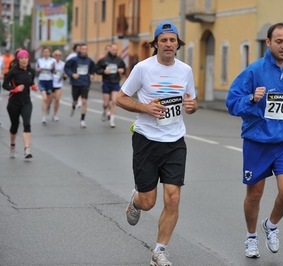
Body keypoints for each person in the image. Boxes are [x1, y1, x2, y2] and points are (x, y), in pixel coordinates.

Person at [115, 21, 198, 266]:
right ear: (155, 44)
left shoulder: (186, 70)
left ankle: (159, 251)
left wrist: (193, 107)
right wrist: (145, 107)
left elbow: (191, 102)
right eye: (164, 40)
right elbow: (121, 98)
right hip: (146, 141)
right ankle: (136, 200)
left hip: (175, 141)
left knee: (172, 198)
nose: (169, 44)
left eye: (173, 40)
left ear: (178, 44)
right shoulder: (143, 69)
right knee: (148, 201)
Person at [225, 22, 283, 259]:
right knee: (254, 195)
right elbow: (232, 103)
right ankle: (251, 237)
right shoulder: (254, 70)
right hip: (258, 141)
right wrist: (251, 98)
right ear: (268, 42)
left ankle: (271, 225)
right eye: (279, 41)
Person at [2, 49, 38, 159]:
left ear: (28, 59)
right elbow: (4, 84)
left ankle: (27, 150)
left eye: (25, 58)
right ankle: (12, 147)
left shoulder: (31, 71)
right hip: (14, 102)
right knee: (14, 126)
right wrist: (15, 89)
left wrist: (33, 86)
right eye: (21, 58)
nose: (24, 60)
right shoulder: (13, 71)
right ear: (18, 60)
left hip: (26, 102)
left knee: (27, 124)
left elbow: (31, 81)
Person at [64, 43, 95, 128]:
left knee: (84, 101)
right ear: (80, 50)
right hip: (76, 83)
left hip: (85, 83)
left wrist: (92, 74)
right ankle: (73, 106)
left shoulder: (89, 60)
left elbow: (92, 69)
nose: (84, 50)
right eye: (83, 49)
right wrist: (72, 74)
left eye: (86, 49)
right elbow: (66, 68)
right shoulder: (74, 59)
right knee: (75, 101)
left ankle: (82, 120)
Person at [95, 43, 126, 128]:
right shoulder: (104, 59)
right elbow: (97, 69)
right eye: (113, 50)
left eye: (116, 50)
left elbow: (124, 71)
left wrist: (122, 71)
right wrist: (103, 72)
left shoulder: (119, 60)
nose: (115, 51)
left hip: (115, 82)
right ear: (110, 50)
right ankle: (105, 110)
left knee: (114, 101)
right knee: (106, 103)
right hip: (106, 82)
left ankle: (112, 120)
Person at [36, 47, 56, 124]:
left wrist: (52, 68)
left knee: (49, 99)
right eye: (44, 52)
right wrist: (39, 69)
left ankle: (48, 107)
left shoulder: (53, 60)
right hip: (42, 80)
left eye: (47, 52)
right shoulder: (39, 60)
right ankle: (43, 117)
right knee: (44, 98)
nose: (46, 53)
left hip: (50, 81)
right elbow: (36, 69)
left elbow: (55, 71)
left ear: (50, 53)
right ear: (42, 53)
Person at [49, 49, 66, 122]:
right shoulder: (50, 62)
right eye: (56, 55)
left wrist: (65, 75)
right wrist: (52, 69)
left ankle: (54, 114)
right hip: (50, 83)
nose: (58, 56)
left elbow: (65, 72)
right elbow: (47, 69)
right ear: (53, 56)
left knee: (57, 99)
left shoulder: (63, 64)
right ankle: (48, 106)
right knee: (49, 100)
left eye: (59, 55)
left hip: (58, 83)